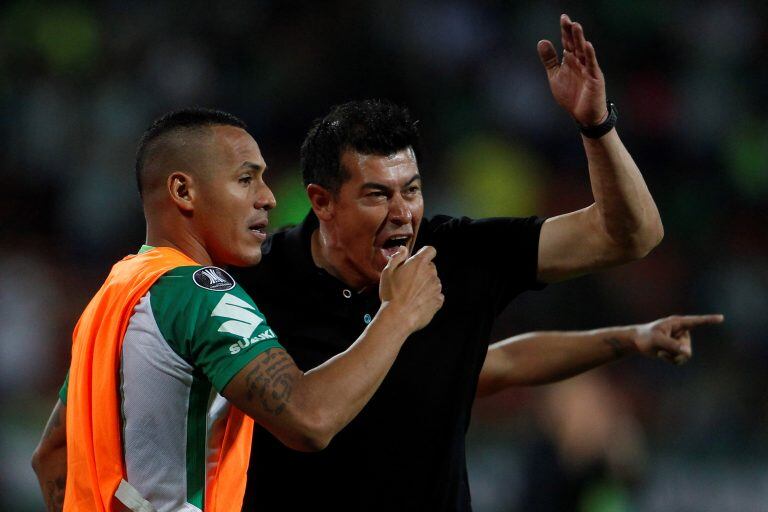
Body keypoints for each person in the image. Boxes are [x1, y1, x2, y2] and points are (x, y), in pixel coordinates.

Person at [235, 15, 722, 511]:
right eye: (377, 194)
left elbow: (632, 237)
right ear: (322, 201)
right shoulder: (256, 281)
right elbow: (306, 422)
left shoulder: (456, 254)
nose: (403, 212)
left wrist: (596, 126)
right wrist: (399, 315)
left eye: (412, 189)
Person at [30, 108, 444, 512]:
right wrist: (399, 313)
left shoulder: (116, 292)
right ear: (183, 191)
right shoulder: (201, 293)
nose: (268, 198)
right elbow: (309, 419)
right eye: (246, 179)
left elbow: (53, 453)